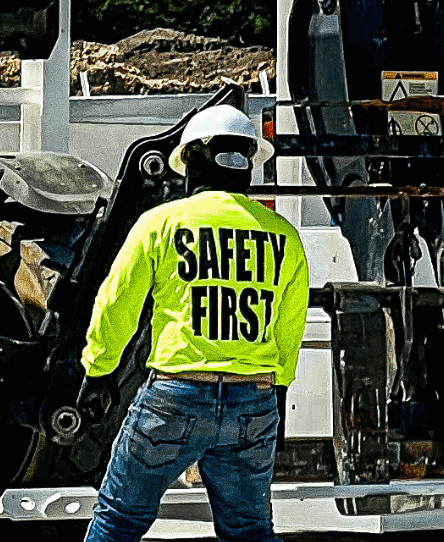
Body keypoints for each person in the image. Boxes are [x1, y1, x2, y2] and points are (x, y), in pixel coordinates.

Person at [78, 105, 309, 542]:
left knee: (118, 520)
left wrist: (99, 370)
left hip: (175, 398)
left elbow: (116, 303)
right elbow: (288, 326)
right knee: (249, 530)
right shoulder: (283, 236)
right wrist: (278, 388)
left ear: (192, 162)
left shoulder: (161, 224)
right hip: (253, 400)